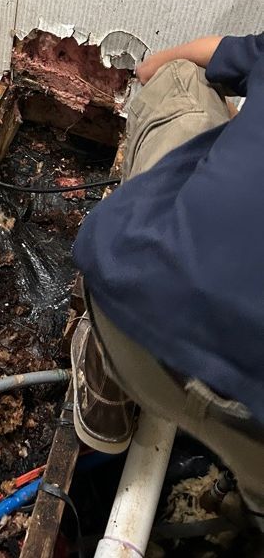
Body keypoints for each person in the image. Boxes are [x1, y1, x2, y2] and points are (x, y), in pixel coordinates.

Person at [71, 33, 264, 529]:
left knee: (181, 78)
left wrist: (158, 65)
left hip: (135, 318)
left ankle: (105, 397)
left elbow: (180, 62)